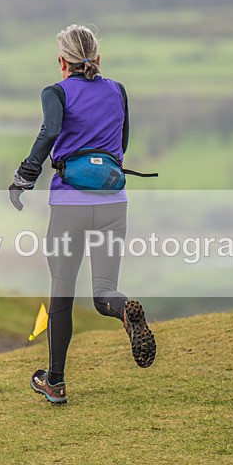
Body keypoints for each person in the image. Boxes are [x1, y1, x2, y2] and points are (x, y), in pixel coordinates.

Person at [9, 24, 156, 404]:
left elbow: (50, 131)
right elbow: (122, 143)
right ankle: (125, 311)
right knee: (104, 291)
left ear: (62, 61)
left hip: (70, 207)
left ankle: (54, 381)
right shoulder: (118, 91)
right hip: (113, 202)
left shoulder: (55, 92)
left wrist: (25, 176)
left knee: (62, 294)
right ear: (98, 58)